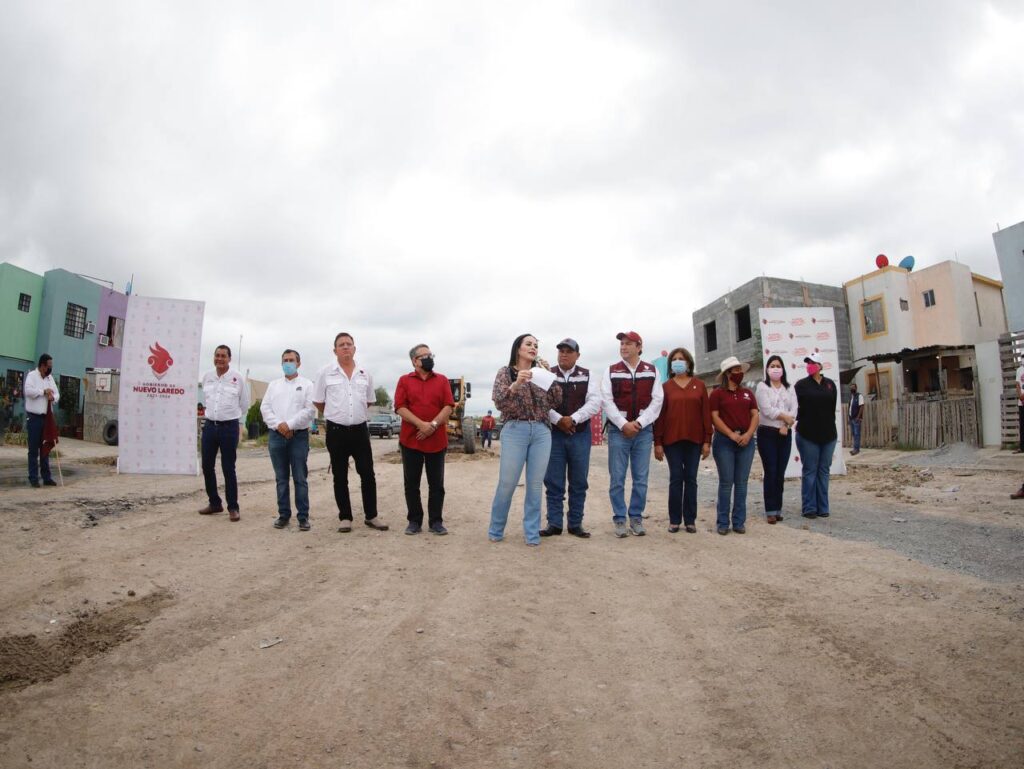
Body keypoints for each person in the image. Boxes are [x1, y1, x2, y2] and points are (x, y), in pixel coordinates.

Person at [488, 334, 562, 546]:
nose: (533, 348)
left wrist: (550, 375)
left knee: (535, 485)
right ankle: (496, 529)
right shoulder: (506, 372)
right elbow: (500, 402)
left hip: (541, 431)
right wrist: (516, 384)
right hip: (515, 429)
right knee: (507, 482)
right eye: (528, 344)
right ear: (517, 349)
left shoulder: (542, 373)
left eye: (536, 345)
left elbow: (556, 400)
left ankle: (531, 533)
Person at [314, 332, 389, 533]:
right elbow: (319, 400)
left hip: (360, 431)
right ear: (335, 350)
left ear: (354, 348)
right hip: (336, 431)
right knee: (340, 475)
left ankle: (371, 516)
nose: (345, 347)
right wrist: (335, 413)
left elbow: (369, 400)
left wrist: (353, 413)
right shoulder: (325, 373)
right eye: (341, 344)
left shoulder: (365, 373)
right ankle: (345, 517)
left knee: (367, 473)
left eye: (349, 344)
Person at [601, 331, 664, 538]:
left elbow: (657, 400)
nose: (623, 347)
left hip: (643, 431)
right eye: (621, 343)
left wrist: (639, 422)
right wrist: (622, 424)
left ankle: (636, 516)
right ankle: (619, 518)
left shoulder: (652, 371)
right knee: (617, 477)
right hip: (619, 432)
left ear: (639, 346)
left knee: (641, 478)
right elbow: (606, 401)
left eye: (628, 343)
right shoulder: (611, 371)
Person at [541, 338, 602, 538]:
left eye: (568, 351)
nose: (564, 354)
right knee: (553, 481)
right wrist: (559, 420)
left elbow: (594, 402)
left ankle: (575, 524)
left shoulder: (588, 375)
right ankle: (554, 524)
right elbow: (541, 402)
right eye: (561, 351)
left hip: (579, 434)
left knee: (578, 481)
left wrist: (573, 419)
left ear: (577, 355)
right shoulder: (547, 374)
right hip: (554, 435)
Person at [394, 344, 455, 535]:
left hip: (436, 441)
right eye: (425, 356)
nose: (429, 358)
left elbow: (448, 406)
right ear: (414, 361)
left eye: (431, 355)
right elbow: (400, 407)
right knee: (411, 484)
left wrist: (433, 425)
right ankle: (414, 521)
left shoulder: (442, 380)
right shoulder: (404, 380)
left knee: (436, 484)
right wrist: (421, 424)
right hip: (411, 441)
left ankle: (436, 522)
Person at [653, 347, 711, 534]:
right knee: (676, 478)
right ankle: (674, 520)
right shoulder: (665, 387)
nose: (678, 361)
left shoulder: (699, 385)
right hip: (672, 441)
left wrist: (707, 441)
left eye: (682, 359)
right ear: (671, 364)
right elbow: (660, 417)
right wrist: (658, 442)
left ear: (689, 363)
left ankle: (690, 520)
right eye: (675, 359)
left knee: (691, 479)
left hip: (695, 440)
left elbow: (705, 415)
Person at [261, 349, 316, 531]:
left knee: (300, 478)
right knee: (281, 478)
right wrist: (280, 425)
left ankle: (303, 517)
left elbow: (309, 410)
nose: (288, 363)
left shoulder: (307, 385)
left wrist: (290, 425)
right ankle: (284, 515)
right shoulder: (273, 385)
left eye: (291, 360)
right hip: (276, 436)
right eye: (285, 360)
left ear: (299, 363)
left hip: (298, 437)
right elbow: (265, 408)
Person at [199, 345, 249, 521]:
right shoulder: (207, 377)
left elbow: (243, 404)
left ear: (229, 358)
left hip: (229, 427)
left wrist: (230, 417)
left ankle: (233, 507)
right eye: (217, 355)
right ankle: (214, 503)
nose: (219, 359)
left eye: (223, 356)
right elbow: (207, 400)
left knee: (228, 467)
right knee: (206, 465)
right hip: (210, 426)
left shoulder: (237, 378)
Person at [710, 356, 759, 535]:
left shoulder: (748, 393)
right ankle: (723, 522)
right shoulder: (717, 394)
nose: (739, 373)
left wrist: (748, 434)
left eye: (740, 370)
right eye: (736, 370)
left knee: (741, 483)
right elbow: (714, 416)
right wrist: (730, 434)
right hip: (724, 442)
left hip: (746, 440)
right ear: (727, 373)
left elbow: (755, 415)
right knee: (726, 482)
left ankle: (739, 521)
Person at [794, 352, 839, 520]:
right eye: (808, 362)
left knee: (824, 471)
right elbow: (796, 407)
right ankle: (809, 507)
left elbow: (832, 407)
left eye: (813, 362)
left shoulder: (830, 385)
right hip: (808, 435)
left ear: (820, 366)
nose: (810, 365)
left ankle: (823, 507)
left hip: (828, 434)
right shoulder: (801, 385)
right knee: (810, 471)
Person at [755, 355, 797, 525]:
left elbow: (794, 409)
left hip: (785, 433)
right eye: (772, 365)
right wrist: (784, 418)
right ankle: (770, 510)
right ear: (767, 369)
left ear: (783, 369)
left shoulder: (789, 387)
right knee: (771, 471)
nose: (775, 368)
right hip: (767, 434)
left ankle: (778, 509)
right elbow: (766, 410)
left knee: (780, 473)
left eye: (778, 365)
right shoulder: (762, 386)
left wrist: (786, 425)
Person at [24, 354, 59, 488]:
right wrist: (43, 391)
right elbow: (28, 391)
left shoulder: (50, 378)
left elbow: (57, 394)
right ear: (42, 365)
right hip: (34, 417)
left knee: (45, 448)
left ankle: (47, 477)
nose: (50, 368)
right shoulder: (32, 376)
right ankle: (33, 478)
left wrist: (52, 397)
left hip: (46, 418)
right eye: (49, 366)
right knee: (33, 449)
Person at [848, 382, 863, 456]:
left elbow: (861, 406)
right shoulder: (851, 397)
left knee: (857, 434)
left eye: (853, 387)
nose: (852, 388)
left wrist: (858, 417)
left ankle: (856, 449)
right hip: (851, 419)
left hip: (856, 419)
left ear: (856, 388)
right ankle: (855, 448)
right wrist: (849, 418)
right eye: (851, 387)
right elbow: (850, 408)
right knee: (854, 434)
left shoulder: (859, 396)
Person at [1015, 359, 1024, 454]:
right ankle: (1022, 447)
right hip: (1021, 401)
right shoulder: (1019, 370)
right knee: (1022, 425)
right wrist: (1020, 395)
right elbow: (1017, 384)